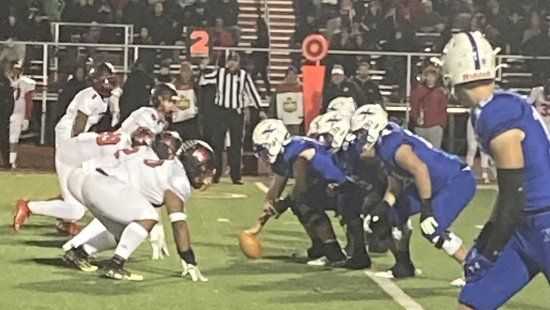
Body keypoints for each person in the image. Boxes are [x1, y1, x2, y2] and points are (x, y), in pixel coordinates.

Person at [441, 31, 550, 310]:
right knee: (473, 302)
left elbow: (514, 193)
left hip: (543, 220)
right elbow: (509, 193)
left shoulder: (497, 113)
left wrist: (490, 250)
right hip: (526, 226)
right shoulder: (497, 105)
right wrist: (488, 235)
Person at [61, 136, 215, 281]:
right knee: (148, 217)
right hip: (99, 183)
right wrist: (189, 259)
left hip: (80, 177)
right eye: (204, 169)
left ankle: (79, 253)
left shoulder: (168, 165)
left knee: (127, 231)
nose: (206, 176)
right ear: (193, 165)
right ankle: (116, 265)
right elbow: (178, 224)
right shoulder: (178, 178)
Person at [351, 104, 475, 279]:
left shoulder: (391, 145)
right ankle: (403, 266)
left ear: (373, 128)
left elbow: (420, 169)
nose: (358, 139)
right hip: (432, 182)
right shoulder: (384, 142)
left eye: (360, 133)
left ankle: (474, 269)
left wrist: (426, 208)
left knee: (432, 228)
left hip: (454, 180)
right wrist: (385, 206)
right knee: (393, 214)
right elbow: (396, 180)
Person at [251, 119, 349, 266]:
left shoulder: (298, 154)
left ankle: (333, 252)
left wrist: (282, 205)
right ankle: (320, 247)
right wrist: (258, 223)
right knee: (301, 202)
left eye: (263, 150)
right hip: (331, 187)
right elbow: (275, 190)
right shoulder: (286, 152)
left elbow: (300, 189)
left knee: (304, 202)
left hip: (344, 187)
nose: (263, 157)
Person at [200, 52, 268, 184]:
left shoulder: (243, 75)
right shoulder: (219, 73)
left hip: (236, 113)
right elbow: (204, 80)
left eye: (234, 61)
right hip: (221, 112)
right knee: (218, 144)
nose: (231, 64)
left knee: (237, 145)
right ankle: (216, 173)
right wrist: (203, 69)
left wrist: (260, 110)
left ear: (238, 63)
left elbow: (252, 92)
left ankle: (236, 175)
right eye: (229, 61)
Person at [409, 65, 448, 149]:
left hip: (435, 127)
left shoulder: (440, 92)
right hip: (420, 128)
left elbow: (443, 109)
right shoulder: (418, 91)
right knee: (420, 153)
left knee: (434, 153)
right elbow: (413, 107)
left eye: (432, 76)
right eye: (428, 76)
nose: (430, 78)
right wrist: (416, 119)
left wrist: (441, 125)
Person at [7, 60, 35, 169]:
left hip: (18, 113)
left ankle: (11, 161)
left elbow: (29, 101)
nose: (15, 72)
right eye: (14, 69)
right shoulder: (6, 81)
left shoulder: (26, 83)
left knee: (13, 138)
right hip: (6, 112)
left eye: (18, 69)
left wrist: (27, 117)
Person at [170, 62, 201, 140]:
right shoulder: (173, 85)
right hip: (177, 120)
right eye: (183, 71)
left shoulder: (196, 85)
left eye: (188, 71)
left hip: (191, 120)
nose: (185, 74)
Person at [0, 59, 15, 168]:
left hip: (3, 116)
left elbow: (10, 101)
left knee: (4, 139)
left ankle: (6, 162)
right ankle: (6, 162)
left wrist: (7, 114)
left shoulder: (6, 82)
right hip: (4, 116)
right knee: (4, 139)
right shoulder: (6, 82)